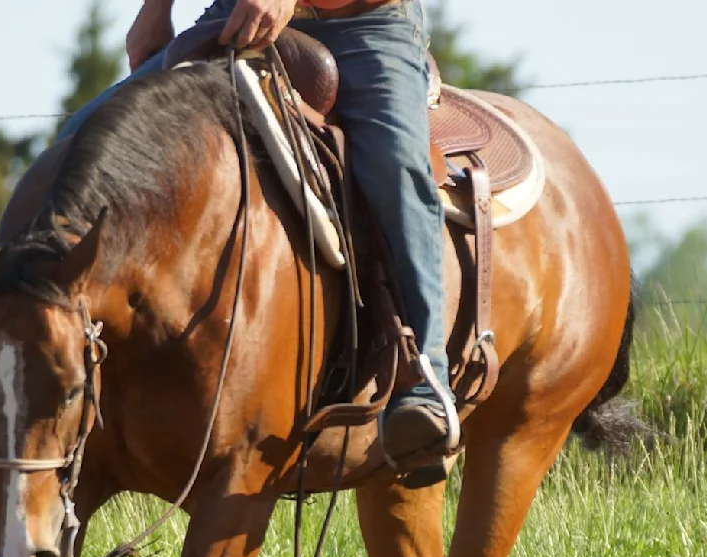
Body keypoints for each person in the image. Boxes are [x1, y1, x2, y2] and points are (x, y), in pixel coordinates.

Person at [58, 0, 457, 466]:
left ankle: (424, 379)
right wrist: (156, 9)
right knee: (80, 141)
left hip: (362, 22)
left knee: (397, 173)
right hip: (233, 17)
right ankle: (48, 361)